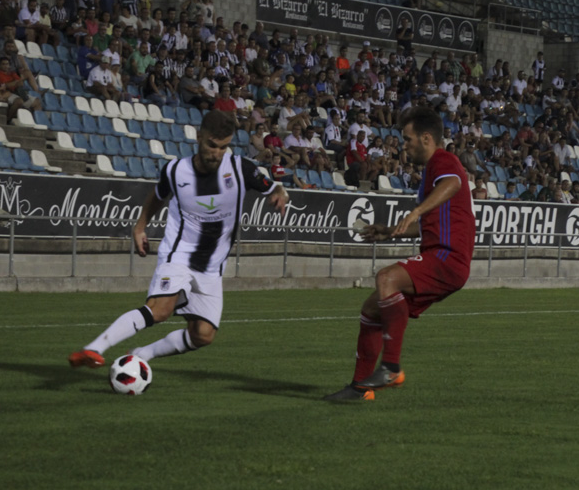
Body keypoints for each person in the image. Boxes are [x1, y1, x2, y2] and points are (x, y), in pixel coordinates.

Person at [69, 111, 289, 370]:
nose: (216, 153)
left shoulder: (241, 169)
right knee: (160, 310)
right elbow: (158, 195)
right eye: (211, 145)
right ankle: (94, 348)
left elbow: (272, 186)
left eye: (223, 147)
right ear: (199, 138)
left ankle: (143, 354)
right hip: (179, 254)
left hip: (212, 267)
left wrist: (280, 192)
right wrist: (140, 226)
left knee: (203, 335)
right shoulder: (176, 170)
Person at [324, 106, 475, 401]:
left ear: (427, 138)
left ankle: (391, 367)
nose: (404, 146)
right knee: (371, 310)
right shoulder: (432, 173)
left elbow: (453, 183)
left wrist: (417, 210)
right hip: (442, 257)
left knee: (386, 279)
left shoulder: (445, 162)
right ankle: (360, 389)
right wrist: (390, 230)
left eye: (408, 140)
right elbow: (430, 225)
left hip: (447, 258)